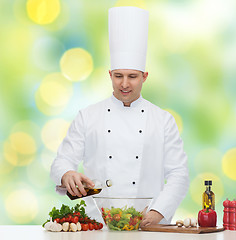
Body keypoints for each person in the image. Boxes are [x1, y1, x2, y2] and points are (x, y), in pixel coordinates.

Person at [50, 6, 189, 226]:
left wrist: (158, 213)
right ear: (110, 75)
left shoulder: (163, 120)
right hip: (98, 225)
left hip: (149, 225)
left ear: (144, 77)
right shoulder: (88, 116)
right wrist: (67, 173)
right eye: (118, 76)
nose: (124, 84)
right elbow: (62, 161)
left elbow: (179, 174)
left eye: (132, 76)